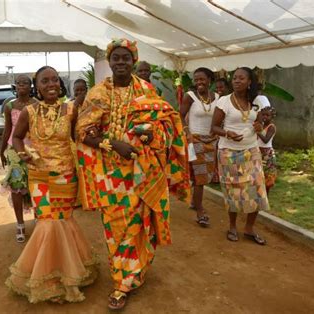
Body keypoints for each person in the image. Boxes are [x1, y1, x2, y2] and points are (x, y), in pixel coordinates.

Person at [76, 39, 190, 310]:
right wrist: (114, 144)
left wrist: (152, 134)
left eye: (126, 58)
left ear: (134, 61)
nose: (121, 62)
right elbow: (83, 132)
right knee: (116, 228)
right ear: (109, 61)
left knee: (141, 225)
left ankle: (131, 275)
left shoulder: (147, 90)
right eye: (116, 58)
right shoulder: (98, 93)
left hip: (143, 172)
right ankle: (122, 277)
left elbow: (166, 125)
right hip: (109, 175)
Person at [5, 66, 97, 303]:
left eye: (55, 80)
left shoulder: (71, 109)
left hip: (66, 175)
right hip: (39, 177)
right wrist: (21, 151)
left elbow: (80, 137)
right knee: (47, 222)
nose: (51, 84)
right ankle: (49, 279)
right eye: (45, 81)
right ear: (38, 85)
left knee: (63, 221)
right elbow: (16, 136)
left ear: (60, 83)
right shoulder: (28, 111)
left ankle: (67, 275)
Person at [211, 67, 269, 245]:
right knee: (233, 190)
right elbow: (213, 128)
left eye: (241, 78)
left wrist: (260, 125)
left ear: (249, 82)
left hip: (251, 150)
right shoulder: (224, 101)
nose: (236, 81)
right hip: (228, 152)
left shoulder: (256, 102)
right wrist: (228, 133)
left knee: (258, 189)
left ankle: (250, 228)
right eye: (234, 78)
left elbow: (259, 122)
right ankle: (233, 227)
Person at [0, 74, 38, 242]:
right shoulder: (9, 106)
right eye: (18, 83)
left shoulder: (37, 104)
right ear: (15, 86)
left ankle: (38, 220)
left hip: (34, 150)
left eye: (25, 83)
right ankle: (20, 224)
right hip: (14, 151)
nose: (21, 85)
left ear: (31, 86)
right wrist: (2, 151)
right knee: (16, 187)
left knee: (35, 184)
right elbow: (7, 130)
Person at [181, 67, 220, 227]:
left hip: (211, 142)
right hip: (194, 141)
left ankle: (193, 202)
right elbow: (180, 115)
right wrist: (187, 132)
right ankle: (200, 211)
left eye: (202, 79)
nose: (199, 82)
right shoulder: (189, 97)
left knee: (202, 177)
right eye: (196, 80)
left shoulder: (217, 97)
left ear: (209, 80)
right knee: (200, 179)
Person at [257, 106, 277, 194]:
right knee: (258, 173)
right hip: (258, 151)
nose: (265, 117)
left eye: (267, 115)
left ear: (272, 116)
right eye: (263, 115)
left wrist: (258, 131)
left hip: (267, 153)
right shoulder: (260, 125)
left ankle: (266, 195)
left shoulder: (271, 127)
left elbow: (265, 140)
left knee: (267, 175)